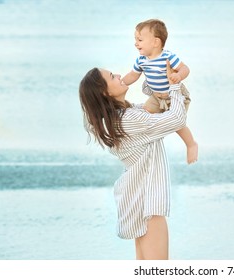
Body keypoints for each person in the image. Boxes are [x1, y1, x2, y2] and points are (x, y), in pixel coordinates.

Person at [79, 60, 185, 260]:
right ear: (105, 92)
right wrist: (175, 86)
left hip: (137, 196)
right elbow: (177, 119)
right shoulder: (128, 120)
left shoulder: (119, 118)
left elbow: (151, 109)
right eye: (112, 76)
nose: (118, 75)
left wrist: (156, 79)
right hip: (147, 200)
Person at [122, 19, 198, 164]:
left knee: (177, 124)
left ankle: (191, 144)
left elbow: (185, 68)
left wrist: (179, 75)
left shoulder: (167, 57)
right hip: (156, 97)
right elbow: (133, 75)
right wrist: (121, 83)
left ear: (156, 42)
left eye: (140, 40)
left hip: (174, 96)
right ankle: (148, 143)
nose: (136, 43)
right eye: (135, 40)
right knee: (146, 113)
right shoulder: (141, 60)